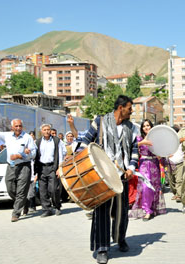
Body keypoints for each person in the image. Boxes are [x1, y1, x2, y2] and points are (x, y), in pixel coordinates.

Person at [70, 95, 139, 264]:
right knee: (102, 212)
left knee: (121, 211)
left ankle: (120, 238)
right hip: (101, 175)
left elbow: (134, 151)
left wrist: (130, 168)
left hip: (121, 175)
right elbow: (86, 142)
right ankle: (102, 247)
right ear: (121, 108)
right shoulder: (99, 121)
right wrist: (77, 161)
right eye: (130, 108)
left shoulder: (131, 128)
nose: (132, 111)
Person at [0, 112, 37, 222]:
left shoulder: (27, 138)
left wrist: (22, 155)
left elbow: (33, 153)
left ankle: (16, 213)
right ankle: (24, 202)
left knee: (21, 190)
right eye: (16, 126)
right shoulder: (7, 136)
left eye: (20, 126)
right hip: (11, 166)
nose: (18, 128)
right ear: (12, 127)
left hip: (24, 166)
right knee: (10, 187)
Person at [129, 119, 166, 221]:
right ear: (142, 128)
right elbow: (131, 147)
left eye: (148, 125)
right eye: (144, 126)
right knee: (146, 187)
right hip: (144, 165)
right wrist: (141, 143)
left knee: (154, 188)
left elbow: (162, 152)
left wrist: (161, 156)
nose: (146, 127)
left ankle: (152, 208)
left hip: (154, 165)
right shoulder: (139, 138)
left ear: (151, 127)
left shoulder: (156, 139)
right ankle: (147, 211)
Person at [34, 124, 66, 217]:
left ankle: (57, 206)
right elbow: (35, 156)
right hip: (41, 168)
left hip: (53, 167)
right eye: (45, 130)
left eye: (48, 129)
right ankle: (46, 209)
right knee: (42, 190)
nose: (47, 131)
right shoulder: (38, 142)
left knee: (53, 189)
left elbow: (60, 155)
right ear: (42, 131)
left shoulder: (56, 141)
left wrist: (59, 168)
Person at [168, 125, 184, 202]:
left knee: (179, 180)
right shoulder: (167, 141)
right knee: (171, 180)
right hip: (170, 163)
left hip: (180, 162)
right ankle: (175, 193)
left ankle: (179, 195)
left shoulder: (181, 141)